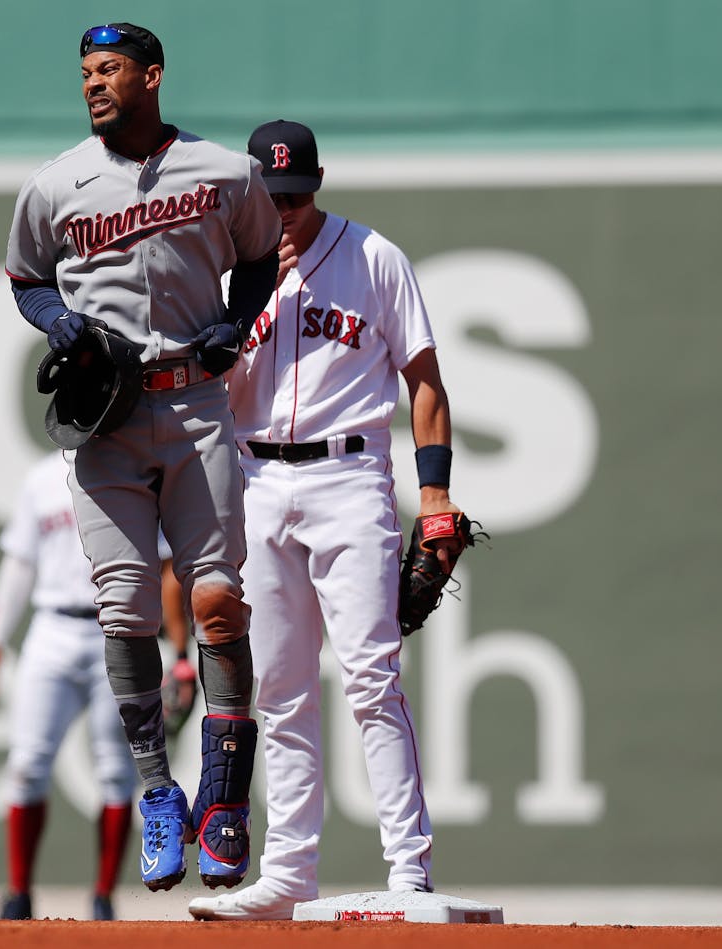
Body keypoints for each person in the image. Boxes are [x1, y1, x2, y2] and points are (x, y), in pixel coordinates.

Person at [4, 22, 282, 893]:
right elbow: (25, 277)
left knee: (216, 598)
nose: (93, 84)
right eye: (86, 71)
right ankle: (159, 792)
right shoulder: (57, 183)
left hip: (195, 402)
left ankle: (227, 800)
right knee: (123, 609)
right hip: (106, 416)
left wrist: (236, 328)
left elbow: (259, 258)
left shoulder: (225, 172)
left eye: (110, 70)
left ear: (152, 76)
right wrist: (59, 322)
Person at [189, 119, 462, 920]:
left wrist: (436, 493)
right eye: (273, 198)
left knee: (373, 677)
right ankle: (288, 873)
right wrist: (240, 310)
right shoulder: (225, 269)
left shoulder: (375, 258)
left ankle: (409, 871)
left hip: (349, 474)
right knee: (279, 689)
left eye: (298, 194)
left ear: (318, 183)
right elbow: (210, 392)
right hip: (256, 475)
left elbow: (426, 381)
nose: (287, 210)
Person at [0, 450, 192, 921]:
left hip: (114, 633)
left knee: (115, 772)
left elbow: (168, 569)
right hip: (51, 629)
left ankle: (102, 896)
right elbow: (19, 562)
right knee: (28, 764)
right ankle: (18, 894)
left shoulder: (137, 470)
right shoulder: (39, 478)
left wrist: (179, 652)